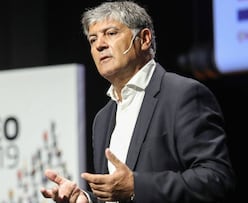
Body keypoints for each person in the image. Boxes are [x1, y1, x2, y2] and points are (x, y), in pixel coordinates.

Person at [40, 1, 236, 202]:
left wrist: (136, 186)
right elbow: (117, 193)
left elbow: (216, 179)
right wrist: (85, 199)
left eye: (111, 33)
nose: (99, 45)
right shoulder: (103, 118)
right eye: (92, 39)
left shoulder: (183, 95)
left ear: (144, 39)